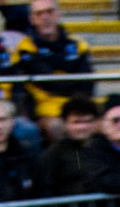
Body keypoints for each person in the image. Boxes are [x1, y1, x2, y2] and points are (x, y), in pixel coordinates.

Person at [23, 0, 92, 141]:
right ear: (32, 19)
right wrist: (69, 74)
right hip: (47, 111)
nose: (45, 17)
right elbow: (49, 83)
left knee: (103, 125)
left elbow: (87, 83)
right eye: (39, 13)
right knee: (57, 126)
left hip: (77, 106)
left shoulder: (78, 44)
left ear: (58, 15)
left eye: (49, 11)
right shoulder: (25, 47)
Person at [36, 91, 94, 195]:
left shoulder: (105, 149)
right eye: (76, 122)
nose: (82, 127)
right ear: (65, 123)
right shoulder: (53, 155)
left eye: (87, 121)